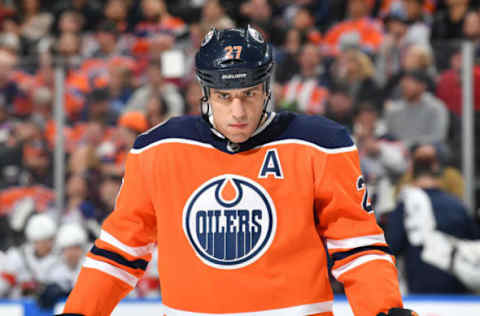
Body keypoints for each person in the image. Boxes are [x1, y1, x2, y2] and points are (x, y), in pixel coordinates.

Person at [58, 26, 417, 316]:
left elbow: (356, 245)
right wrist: (80, 312)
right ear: (205, 93)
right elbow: (121, 248)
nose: (238, 112)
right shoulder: (158, 149)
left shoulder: (320, 143)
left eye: (249, 94)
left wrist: (383, 309)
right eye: (224, 97)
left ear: (266, 88)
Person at [385, 154, 479, 293]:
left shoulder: (407, 204)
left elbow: (392, 247)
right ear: (440, 174)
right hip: (458, 290)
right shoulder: (457, 205)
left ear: (412, 174)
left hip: (421, 292)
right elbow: (474, 242)